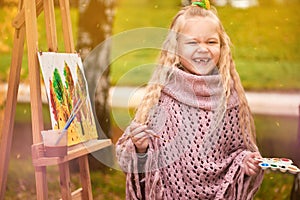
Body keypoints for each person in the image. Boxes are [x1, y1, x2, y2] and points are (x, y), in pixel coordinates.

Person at [116, 0, 264, 199]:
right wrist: (140, 148)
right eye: (192, 42)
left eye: (211, 42)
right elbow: (130, 160)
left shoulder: (229, 98)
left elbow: (237, 151)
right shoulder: (161, 95)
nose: (203, 49)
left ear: (222, 47)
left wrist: (244, 162)